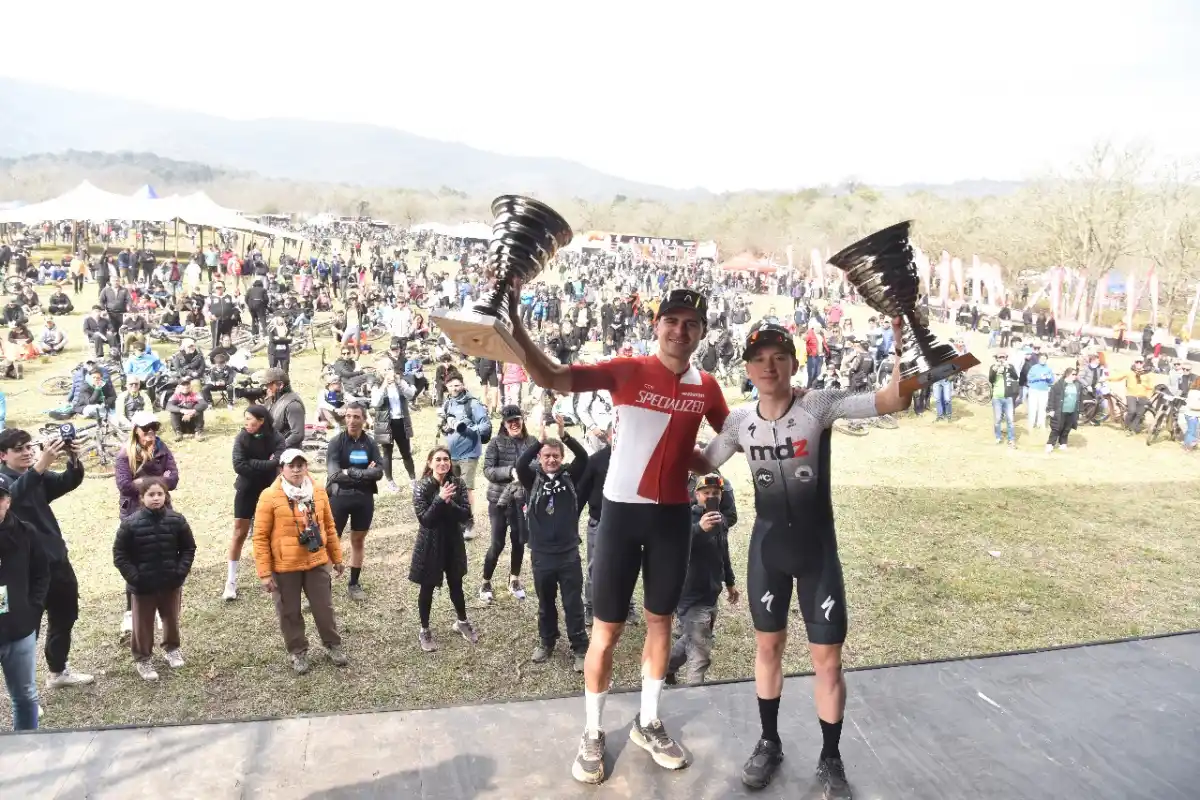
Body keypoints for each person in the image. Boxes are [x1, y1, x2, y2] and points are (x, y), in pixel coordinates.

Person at [503, 286, 729, 785]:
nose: (679, 330)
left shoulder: (708, 386)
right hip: (621, 516)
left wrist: (709, 458)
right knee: (606, 631)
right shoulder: (628, 369)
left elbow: (728, 438)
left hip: (672, 518)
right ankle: (592, 731)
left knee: (660, 622)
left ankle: (648, 722)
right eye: (671, 320)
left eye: (691, 323)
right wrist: (516, 324)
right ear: (657, 326)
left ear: (701, 332)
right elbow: (554, 376)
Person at [699, 320, 913, 797]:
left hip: (818, 553)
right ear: (748, 368)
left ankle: (831, 757)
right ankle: (769, 741)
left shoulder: (818, 405)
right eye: (759, 359)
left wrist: (901, 347)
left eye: (779, 357)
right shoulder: (738, 423)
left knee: (827, 661)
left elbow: (892, 399)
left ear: (795, 363)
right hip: (767, 551)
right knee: (768, 649)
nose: (769, 366)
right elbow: (702, 463)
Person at [0, 431, 93, 689]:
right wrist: (40, 466)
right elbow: (12, 497)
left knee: (65, 615)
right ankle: (25, 689)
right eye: (19, 449)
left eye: (30, 447)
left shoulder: (36, 475)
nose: (28, 452)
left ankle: (58, 670)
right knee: (27, 627)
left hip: (55, 558)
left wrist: (73, 457)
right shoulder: (4, 481)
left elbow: (66, 481)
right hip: (24, 570)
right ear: (3, 455)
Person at [253, 449, 348, 675]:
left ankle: (332, 645)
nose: (296, 470)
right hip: (285, 567)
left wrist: (337, 558)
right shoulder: (269, 496)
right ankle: (298, 652)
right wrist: (265, 573)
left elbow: (330, 527)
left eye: (300, 465)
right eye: (291, 465)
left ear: (307, 467)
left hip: (316, 561)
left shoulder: (318, 491)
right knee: (289, 611)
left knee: (324, 607)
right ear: (282, 469)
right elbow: (260, 537)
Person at [515, 415, 589, 671]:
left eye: (556, 455)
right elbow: (520, 462)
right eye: (546, 455)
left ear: (561, 457)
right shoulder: (531, 477)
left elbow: (584, 458)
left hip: (568, 553)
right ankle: (547, 641)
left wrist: (564, 435)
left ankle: (580, 647)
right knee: (545, 602)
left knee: (573, 602)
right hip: (541, 554)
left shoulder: (571, 475)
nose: (551, 459)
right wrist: (540, 441)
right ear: (540, 458)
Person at [112, 478, 196, 682]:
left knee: (171, 619)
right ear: (141, 498)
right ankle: (143, 658)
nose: (156, 498)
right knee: (142, 624)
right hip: (143, 587)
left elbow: (188, 548)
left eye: (160, 494)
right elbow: (120, 554)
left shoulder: (177, 520)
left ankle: (172, 649)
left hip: (170, 582)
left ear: (166, 496)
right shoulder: (130, 524)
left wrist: (180, 572)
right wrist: (135, 577)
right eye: (151, 494)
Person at [666, 473, 738, 686]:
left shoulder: (720, 520)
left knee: (691, 638)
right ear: (696, 494)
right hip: (690, 595)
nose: (710, 497)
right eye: (706, 493)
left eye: (715, 493)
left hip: (711, 593)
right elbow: (674, 548)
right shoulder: (686, 519)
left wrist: (730, 582)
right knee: (700, 653)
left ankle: (665, 669)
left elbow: (723, 552)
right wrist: (699, 530)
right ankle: (694, 696)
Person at [113, 411, 180, 639]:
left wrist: (145, 483)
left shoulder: (162, 449)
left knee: (164, 557)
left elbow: (174, 479)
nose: (150, 434)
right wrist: (158, 481)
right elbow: (124, 485)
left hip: (162, 514)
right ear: (136, 431)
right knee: (136, 564)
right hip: (134, 515)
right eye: (146, 430)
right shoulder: (125, 454)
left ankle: (163, 612)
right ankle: (131, 612)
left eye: (154, 429)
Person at [410, 446, 478, 652]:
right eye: (438, 459)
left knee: (456, 582)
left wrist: (448, 503)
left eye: (446, 459)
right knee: (427, 586)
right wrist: (440, 499)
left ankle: (462, 622)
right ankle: (424, 629)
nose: (442, 463)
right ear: (430, 463)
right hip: (429, 543)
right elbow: (426, 520)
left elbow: (466, 515)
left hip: (452, 541)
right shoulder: (421, 487)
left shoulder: (457, 483)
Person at [0, 472, 49, 731]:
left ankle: (27, 746)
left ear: (8, 501)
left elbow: (41, 573)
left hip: (19, 630)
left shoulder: (25, 532)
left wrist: (33, 610)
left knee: (25, 696)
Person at [479, 404, 538, 604]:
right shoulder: (495, 443)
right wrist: (510, 472)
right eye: (510, 421)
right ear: (504, 424)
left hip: (522, 499)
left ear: (522, 421)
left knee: (519, 540)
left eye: (517, 420)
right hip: (499, 500)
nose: (514, 424)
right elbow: (488, 470)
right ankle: (486, 581)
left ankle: (514, 579)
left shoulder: (532, 442)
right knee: (497, 543)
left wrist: (525, 472)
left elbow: (539, 464)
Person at [325, 403, 384, 601]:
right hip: (339, 497)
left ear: (363, 419)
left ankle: (354, 583)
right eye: (348, 416)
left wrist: (350, 472)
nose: (351, 420)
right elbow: (334, 475)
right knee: (332, 542)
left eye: (356, 416)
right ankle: (323, 588)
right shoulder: (336, 442)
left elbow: (379, 472)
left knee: (358, 541)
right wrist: (364, 474)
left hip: (363, 499)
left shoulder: (370, 443)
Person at [225, 406, 285, 600]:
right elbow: (238, 465)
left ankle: (275, 577)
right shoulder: (242, 437)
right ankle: (230, 582)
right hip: (246, 489)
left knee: (272, 532)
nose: (245, 422)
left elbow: (279, 461)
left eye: (249, 419)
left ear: (261, 421)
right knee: (239, 532)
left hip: (269, 490)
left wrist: (252, 462)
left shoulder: (276, 437)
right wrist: (266, 464)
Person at [439, 375, 492, 540]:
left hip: (469, 453)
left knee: (466, 488)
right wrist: (446, 427)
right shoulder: (447, 403)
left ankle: (469, 524)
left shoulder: (473, 403)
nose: (454, 388)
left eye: (457, 385)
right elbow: (443, 427)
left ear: (463, 385)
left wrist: (468, 429)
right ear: (447, 387)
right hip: (451, 453)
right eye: (451, 386)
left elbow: (485, 425)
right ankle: (457, 522)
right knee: (452, 488)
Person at [369, 356, 418, 492]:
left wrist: (399, 382)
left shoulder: (400, 381)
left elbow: (410, 395)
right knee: (387, 453)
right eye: (384, 369)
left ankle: (413, 479)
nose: (388, 371)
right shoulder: (376, 383)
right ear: (379, 371)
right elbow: (375, 402)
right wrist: (385, 384)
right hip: (385, 423)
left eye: (390, 368)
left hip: (401, 421)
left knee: (406, 452)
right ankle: (390, 481)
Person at [264, 367, 306, 449]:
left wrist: (277, 449)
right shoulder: (273, 399)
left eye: (269, 385)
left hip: (287, 452)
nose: (267, 388)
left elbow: (297, 435)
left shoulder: (293, 405)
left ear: (280, 385)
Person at [989, 352, 1020, 448]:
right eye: (999, 357)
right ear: (996, 358)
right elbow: (991, 380)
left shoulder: (1009, 366)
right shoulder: (993, 367)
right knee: (997, 419)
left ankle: (1011, 439)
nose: (1001, 359)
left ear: (1006, 358)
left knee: (1010, 419)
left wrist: (1009, 367)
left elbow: (1015, 377)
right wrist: (995, 371)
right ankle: (998, 437)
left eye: (1003, 357)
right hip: (997, 397)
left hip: (1008, 397)